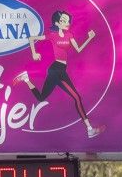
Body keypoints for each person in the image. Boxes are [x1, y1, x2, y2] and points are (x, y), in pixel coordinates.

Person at [15, 10, 103, 138]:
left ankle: (26, 79)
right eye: (63, 21)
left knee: (41, 97)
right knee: (77, 98)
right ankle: (89, 129)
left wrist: (89, 38)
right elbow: (31, 38)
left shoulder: (69, 35)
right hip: (56, 70)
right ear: (57, 23)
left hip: (61, 70)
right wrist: (34, 53)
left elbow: (78, 49)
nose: (66, 23)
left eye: (67, 20)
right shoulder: (53, 35)